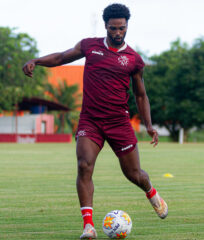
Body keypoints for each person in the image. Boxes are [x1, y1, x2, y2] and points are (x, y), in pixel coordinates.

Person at [23, 3, 168, 239]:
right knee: (83, 165)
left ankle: (150, 191)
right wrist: (36, 61)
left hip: (119, 123)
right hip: (90, 120)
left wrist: (149, 125)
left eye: (122, 28)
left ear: (127, 26)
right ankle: (88, 226)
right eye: (113, 28)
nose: (118, 33)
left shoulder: (134, 59)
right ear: (106, 26)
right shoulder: (90, 46)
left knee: (134, 175)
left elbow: (141, 95)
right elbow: (61, 57)